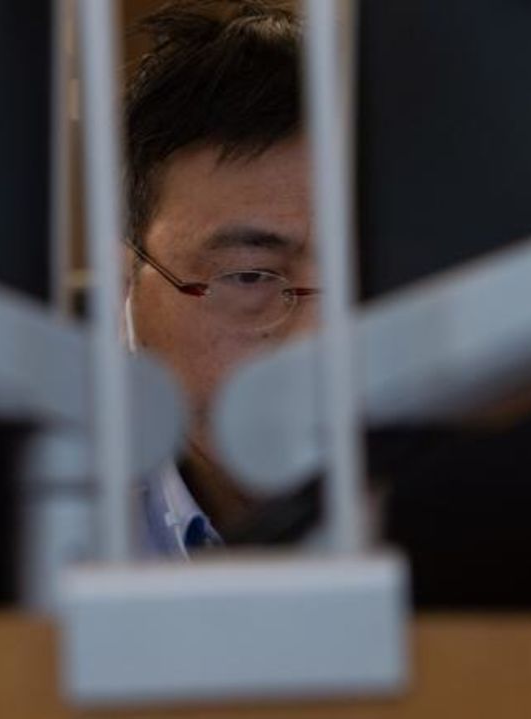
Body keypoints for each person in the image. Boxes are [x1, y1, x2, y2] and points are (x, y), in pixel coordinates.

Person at [123, 0, 314, 555]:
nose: (319, 337)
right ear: (125, 284)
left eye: (360, 277)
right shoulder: (42, 526)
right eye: (251, 276)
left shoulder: (498, 520)